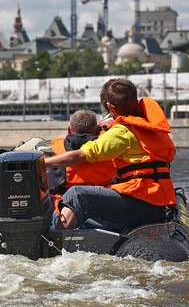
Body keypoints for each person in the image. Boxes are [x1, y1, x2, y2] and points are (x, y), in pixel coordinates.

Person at [44, 78, 176, 232]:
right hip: (155, 203)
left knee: (76, 194)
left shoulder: (121, 133)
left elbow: (78, 156)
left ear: (110, 107)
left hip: (142, 205)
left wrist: (42, 162)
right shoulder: (151, 128)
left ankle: (56, 241)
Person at [47, 109, 117, 195]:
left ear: (69, 130)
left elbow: (53, 186)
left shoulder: (58, 148)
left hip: (68, 200)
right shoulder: (110, 145)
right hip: (106, 196)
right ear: (96, 130)